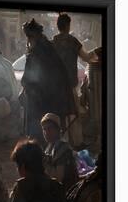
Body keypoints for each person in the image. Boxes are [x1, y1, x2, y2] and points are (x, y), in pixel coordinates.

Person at [20, 19, 75, 146]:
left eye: (29, 38)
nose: (28, 41)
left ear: (33, 37)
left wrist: (26, 84)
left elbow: (31, 78)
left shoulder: (37, 52)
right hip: (48, 99)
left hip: (42, 100)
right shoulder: (47, 48)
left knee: (40, 133)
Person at [52, 13, 97, 148]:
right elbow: (87, 58)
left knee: (59, 113)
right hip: (70, 84)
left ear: (58, 26)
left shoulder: (53, 41)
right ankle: (76, 142)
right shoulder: (72, 41)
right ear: (67, 25)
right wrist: (98, 52)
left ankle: (60, 142)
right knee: (73, 114)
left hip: (56, 85)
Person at [41, 113, 79, 191]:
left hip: (67, 192)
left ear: (57, 130)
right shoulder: (49, 147)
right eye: (44, 129)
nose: (46, 132)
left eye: (49, 128)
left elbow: (58, 178)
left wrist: (44, 163)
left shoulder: (63, 149)